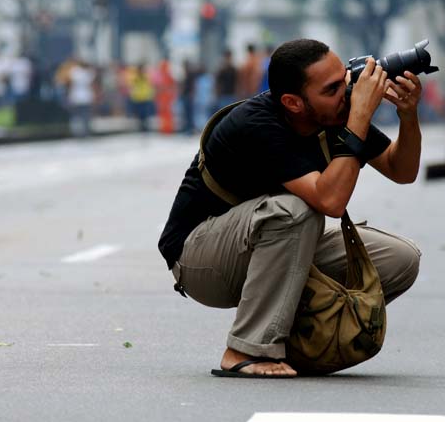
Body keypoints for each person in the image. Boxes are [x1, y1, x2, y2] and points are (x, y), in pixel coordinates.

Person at [158, 39, 422, 377]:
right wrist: (359, 116)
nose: (345, 93)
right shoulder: (256, 124)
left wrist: (407, 115)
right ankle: (245, 349)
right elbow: (330, 201)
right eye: (331, 89)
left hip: (269, 245)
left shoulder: (334, 113)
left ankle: (299, 345)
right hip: (200, 257)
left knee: (400, 259)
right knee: (294, 211)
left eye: (343, 80)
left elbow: (402, 170)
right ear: (293, 102)